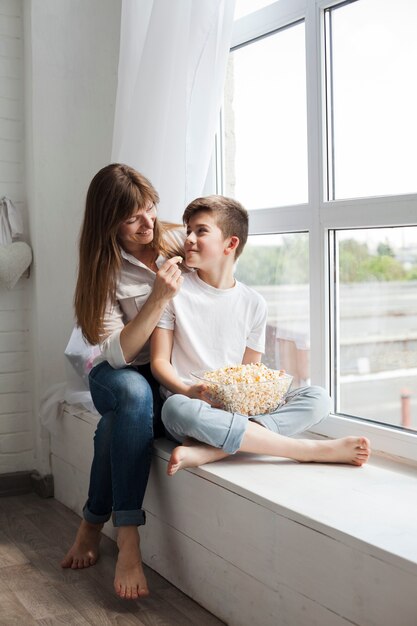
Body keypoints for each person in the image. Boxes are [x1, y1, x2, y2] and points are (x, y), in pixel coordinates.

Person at [151, 195, 371, 475]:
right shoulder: (174, 291)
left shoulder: (254, 303)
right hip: (192, 408)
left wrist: (266, 387)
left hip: (236, 411)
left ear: (231, 244)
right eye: (189, 231)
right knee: (174, 408)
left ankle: (210, 451)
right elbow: (159, 362)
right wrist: (188, 391)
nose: (189, 239)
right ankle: (305, 451)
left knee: (319, 398)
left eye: (201, 231)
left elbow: (246, 372)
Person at [61, 163, 185, 600]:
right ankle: (129, 537)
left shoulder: (174, 239)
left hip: (164, 373)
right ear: (108, 222)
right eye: (132, 218)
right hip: (115, 373)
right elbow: (117, 353)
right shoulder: (102, 269)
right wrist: (157, 298)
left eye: (149, 208)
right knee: (131, 392)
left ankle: (94, 521)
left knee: (116, 426)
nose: (147, 223)